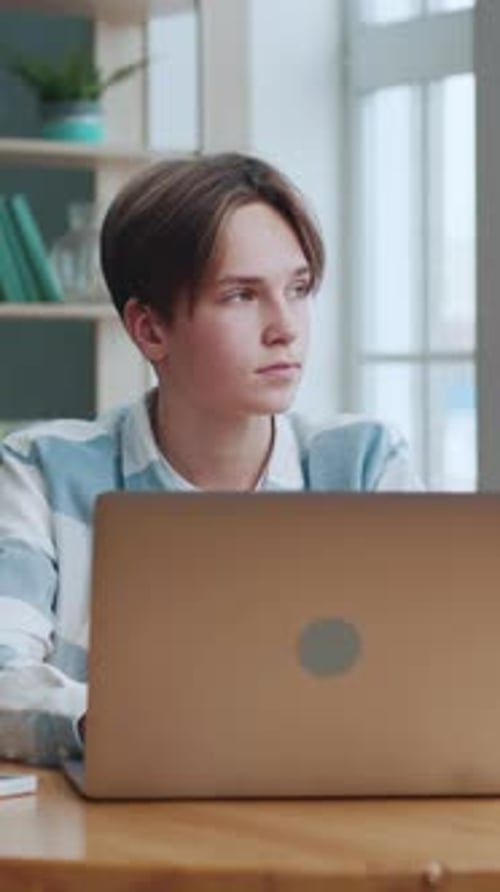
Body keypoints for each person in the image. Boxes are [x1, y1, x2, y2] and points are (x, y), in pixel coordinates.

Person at [0, 152, 420, 766]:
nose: (286, 328)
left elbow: (437, 675)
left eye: (298, 289)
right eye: (241, 295)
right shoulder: (42, 470)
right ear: (150, 331)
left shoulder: (364, 464)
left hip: (331, 824)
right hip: (116, 839)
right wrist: (136, 725)